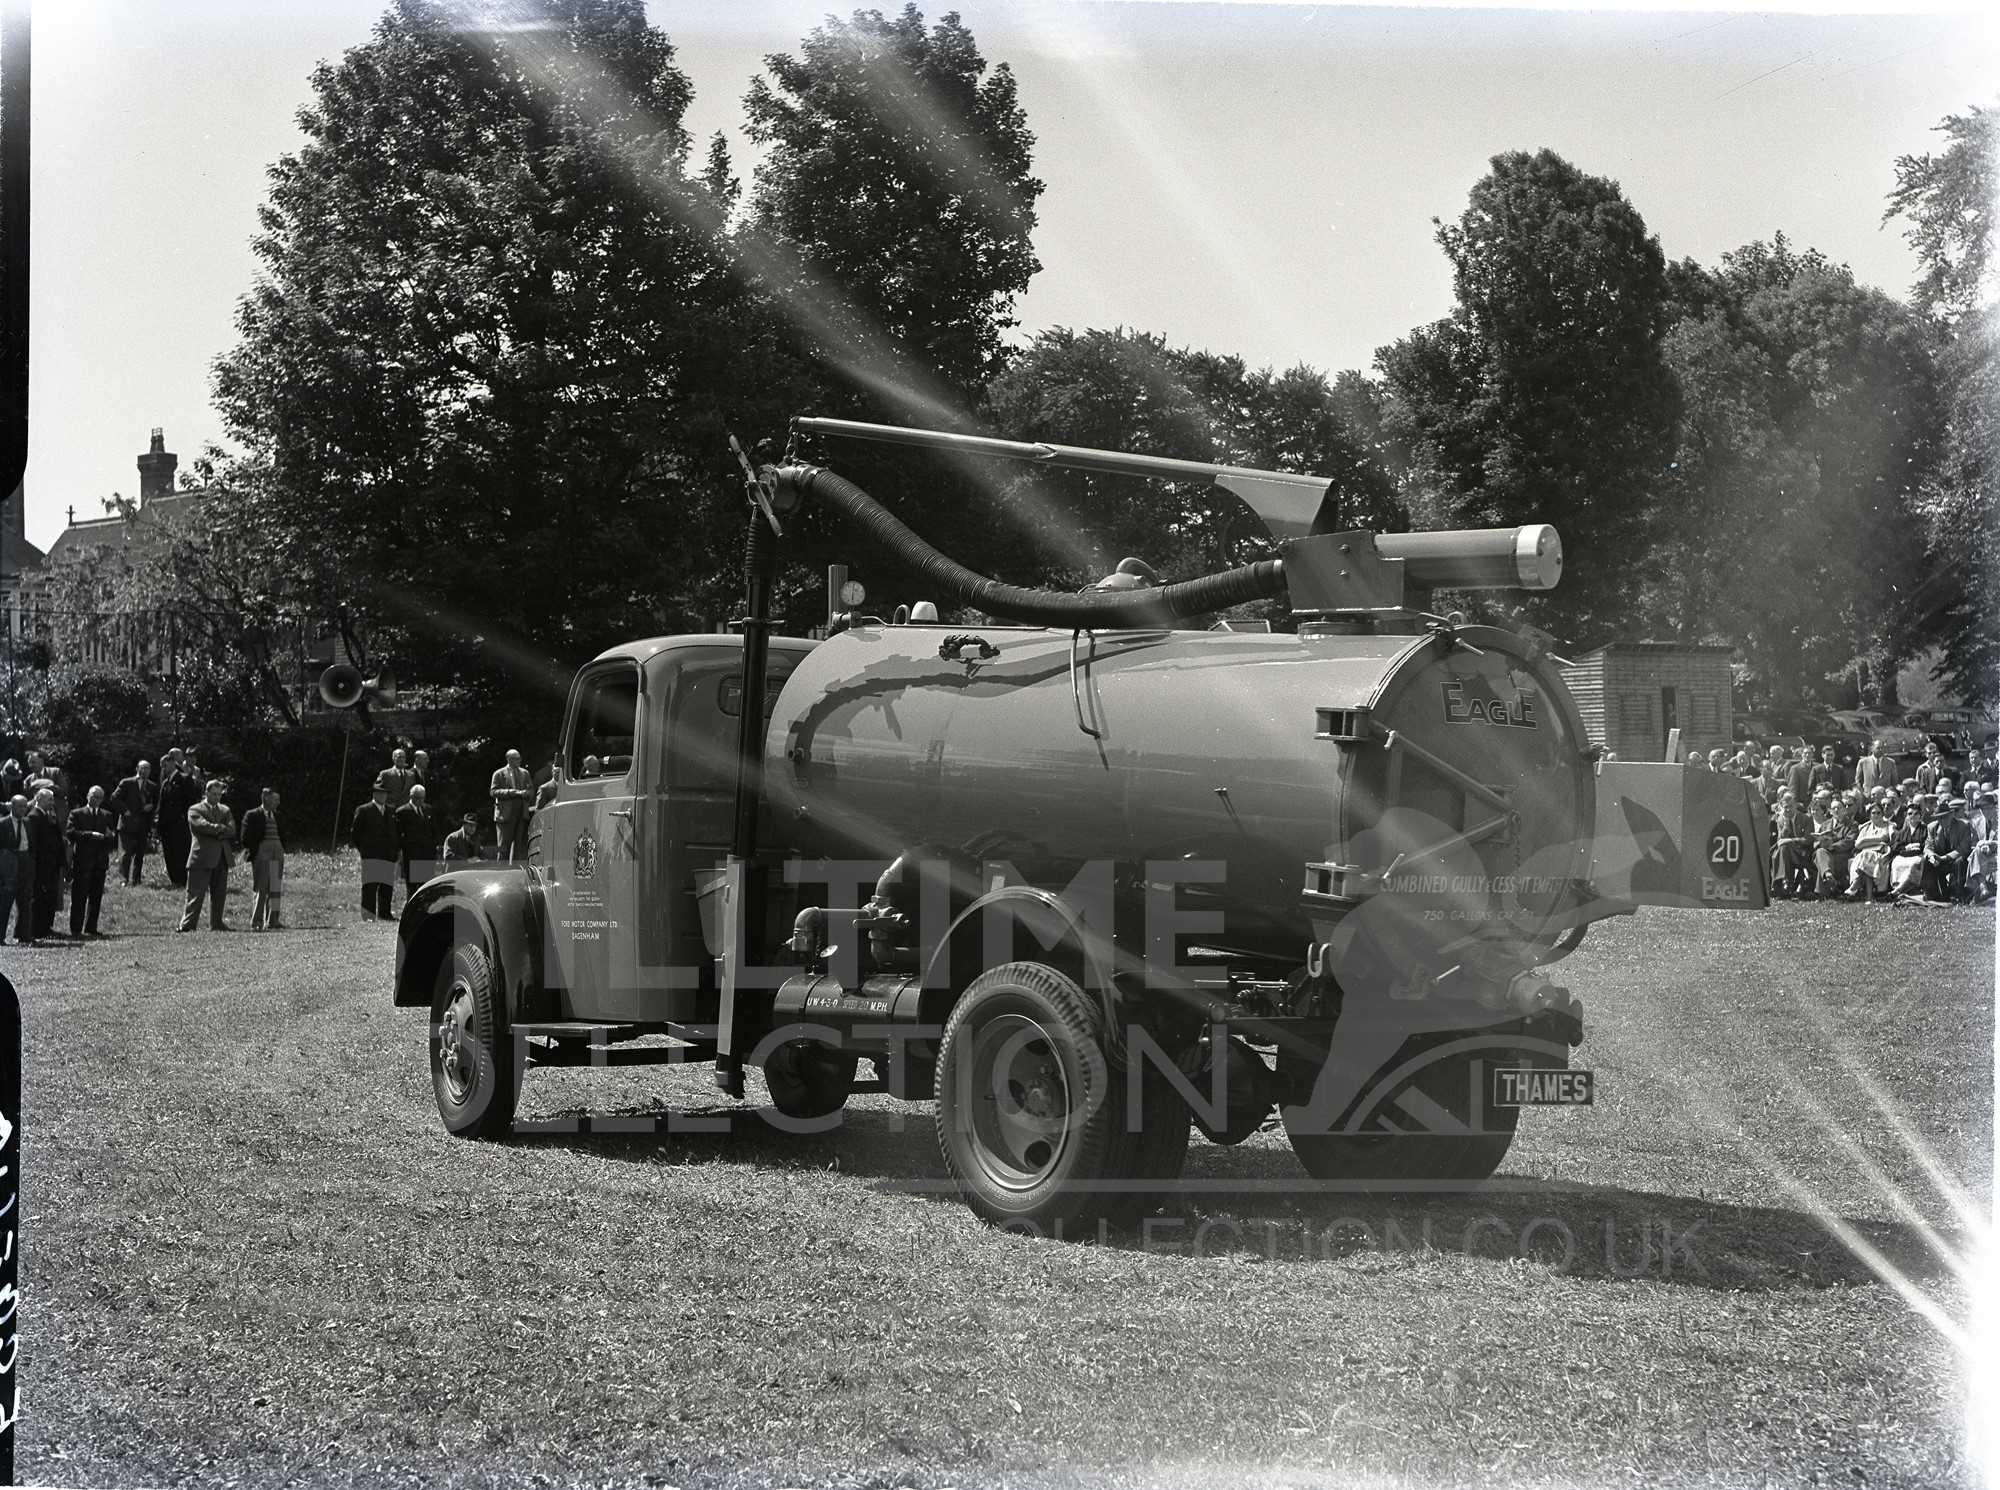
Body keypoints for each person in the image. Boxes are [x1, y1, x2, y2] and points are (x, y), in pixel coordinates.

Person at [178, 777, 238, 933]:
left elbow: (232, 830)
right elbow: (201, 826)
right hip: (201, 856)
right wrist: (219, 828)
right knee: (195, 893)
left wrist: (217, 829)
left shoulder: (225, 810)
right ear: (206, 792)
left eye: (220, 794)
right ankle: (188, 924)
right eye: (214, 794)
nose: (217, 797)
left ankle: (217, 923)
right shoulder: (195, 809)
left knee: (219, 894)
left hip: (222, 857)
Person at [65, 784, 117, 938]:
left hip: (100, 861)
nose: (96, 799)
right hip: (82, 860)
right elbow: (70, 833)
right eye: (94, 796)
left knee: (96, 897)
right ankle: (76, 929)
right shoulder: (77, 813)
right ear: (88, 796)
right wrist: (89, 835)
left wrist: (109, 836)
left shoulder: (106, 815)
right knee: (79, 896)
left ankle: (91, 927)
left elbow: (112, 837)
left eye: (100, 797)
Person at [239, 787, 287, 931]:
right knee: (261, 887)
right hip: (262, 852)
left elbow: (284, 834)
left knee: (275, 887)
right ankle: (257, 922)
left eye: (278, 800)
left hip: (277, 852)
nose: (277, 803)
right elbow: (245, 837)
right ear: (265, 798)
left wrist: (281, 848)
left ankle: (273, 921)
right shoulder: (253, 815)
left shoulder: (278, 816)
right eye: (274, 799)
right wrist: (256, 850)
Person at [351, 783, 400, 920]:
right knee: (370, 886)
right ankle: (368, 915)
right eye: (379, 793)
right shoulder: (364, 810)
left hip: (388, 854)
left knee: (386, 886)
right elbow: (355, 834)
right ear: (374, 794)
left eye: (385, 793)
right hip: (371, 855)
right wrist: (365, 850)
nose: (382, 796)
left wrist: (395, 850)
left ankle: (385, 913)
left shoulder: (391, 811)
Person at [111, 759, 159, 885]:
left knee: (140, 854)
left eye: (148, 768)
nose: (145, 770)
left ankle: (136, 880)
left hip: (143, 824)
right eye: (143, 768)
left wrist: (151, 807)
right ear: (137, 769)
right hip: (127, 823)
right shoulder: (127, 783)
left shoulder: (152, 786)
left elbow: (155, 803)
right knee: (125, 854)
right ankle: (124, 879)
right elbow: (114, 798)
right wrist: (124, 810)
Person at [395, 783, 442, 910]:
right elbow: (398, 835)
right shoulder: (402, 812)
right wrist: (401, 850)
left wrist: (435, 846)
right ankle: (411, 909)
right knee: (412, 884)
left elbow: (434, 830)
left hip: (427, 853)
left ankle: (425, 908)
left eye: (422, 798)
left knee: (426, 883)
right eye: (418, 798)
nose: (420, 800)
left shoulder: (428, 809)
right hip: (411, 853)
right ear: (412, 797)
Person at [27, 788, 65, 939]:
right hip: (42, 864)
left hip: (52, 863)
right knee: (40, 897)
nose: (52, 802)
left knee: (50, 896)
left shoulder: (48, 815)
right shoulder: (34, 816)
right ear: (39, 799)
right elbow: (36, 843)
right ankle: (37, 929)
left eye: (52, 799)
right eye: (49, 799)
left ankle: (46, 927)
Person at [157, 749, 198, 888]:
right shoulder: (165, 783)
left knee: (181, 851)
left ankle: (182, 880)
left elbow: (191, 802)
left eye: (165, 765)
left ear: (173, 763)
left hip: (180, 824)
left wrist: (185, 820)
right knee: (169, 852)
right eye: (162, 766)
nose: (164, 768)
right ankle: (174, 879)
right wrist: (159, 825)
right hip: (167, 824)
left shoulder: (184, 779)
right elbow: (161, 806)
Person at [1843, 800, 1898, 900]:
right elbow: (1858, 844)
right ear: (1870, 815)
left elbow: (1889, 839)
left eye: (1878, 813)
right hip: (1865, 855)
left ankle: (1855, 885)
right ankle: (1869, 897)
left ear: (1882, 814)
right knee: (1867, 857)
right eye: (1873, 813)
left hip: (1882, 854)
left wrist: (1867, 841)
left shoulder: (1889, 826)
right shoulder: (1865, 827)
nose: (1876, 815)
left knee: (1867, 857)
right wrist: (1878, 839)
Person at [490, 748, 534, 862]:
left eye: (519, 758)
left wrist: (527, 793)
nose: (519, 761)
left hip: (520, 814)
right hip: (505, 816)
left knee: (518, 848)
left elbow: (531, 790)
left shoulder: (525, 773)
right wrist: (510, 792)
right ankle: (501, 872)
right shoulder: (499, 774)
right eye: (516, 759)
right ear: (509, 759)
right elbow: (493, 791)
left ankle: (515, 872)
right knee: (504, 848)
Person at [1769, 791, 1814, 898]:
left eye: (1791, 806)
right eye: (1785, 807)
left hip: (1802, 853)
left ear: (1796, 805)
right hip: (1786, 853)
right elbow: (1780, 840)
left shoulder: (1806, 818)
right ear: (1781, 807)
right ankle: (1785, 883)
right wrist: (1785, 825)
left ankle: (1782, 883)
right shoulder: (1780, 819)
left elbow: (1808, 839)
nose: (1788, 809)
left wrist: (1790, 841)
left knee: (1783, 849)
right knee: (1782, 849)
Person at [0, 795, 29, 945]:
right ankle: (1, 937)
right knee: (5, 902)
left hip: (24, 863)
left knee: (24, 901)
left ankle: (22, 935)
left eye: (25, 806)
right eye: (20, 806)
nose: (23, 809)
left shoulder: (27, 823)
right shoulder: (3, 824)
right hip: (8, 865)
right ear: (12, 807)